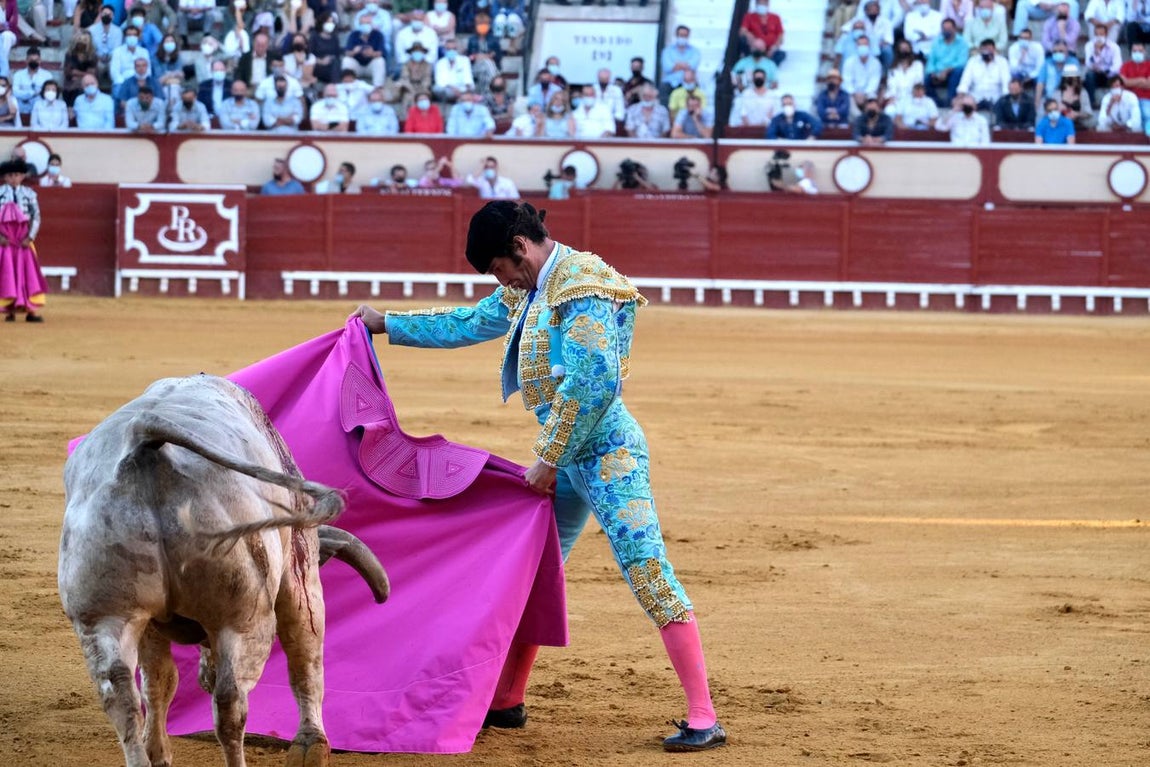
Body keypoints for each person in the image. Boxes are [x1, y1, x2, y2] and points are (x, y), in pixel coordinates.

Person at [351, 200, 727, 753]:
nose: (501, 281)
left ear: (520, 248)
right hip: (567, 459)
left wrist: (549, 459)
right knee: (530, 577)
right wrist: (387, 324)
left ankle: (703, 714)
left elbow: (593, 383)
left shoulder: (582, 284)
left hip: (607, 455)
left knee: (647, 570)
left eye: (500, 269)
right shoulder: (535, 284)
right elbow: (472, 320)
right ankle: (506, 699)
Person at [0, 159, 47, 323]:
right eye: (10, 175)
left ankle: (31, 311)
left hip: (23, 240)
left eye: (17, 175)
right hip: (4, 241)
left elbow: (36, 217)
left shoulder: (30, 194)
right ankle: (9, 310)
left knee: (28, 274)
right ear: (5, 177)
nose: (14, 178)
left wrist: (30, 237)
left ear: (22, 176)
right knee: (7, 274)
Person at [957, 39, 1011, 111]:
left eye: (989, 49)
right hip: (975, 98)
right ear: (980, 50)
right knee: (963, 104)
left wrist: (1006, 98)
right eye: (984, 49)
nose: (987, 52)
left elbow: (1006, 82)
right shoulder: (973, 61)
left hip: (995, 99)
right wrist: (961, 95)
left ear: (994, 50)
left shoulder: (1002, 62)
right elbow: (965, 81)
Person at [925, 18, 969, 106]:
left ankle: (950, 100)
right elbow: (931, 60)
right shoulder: (937, 42)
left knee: (958, 71)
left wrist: (947, 70)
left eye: (949, 29)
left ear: (954, 29)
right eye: (944, 29)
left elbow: (962, 62)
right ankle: (936, 103)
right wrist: (933, 72)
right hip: (938, 73)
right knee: (926, 78)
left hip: (953, 71)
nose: (946, 31)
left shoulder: (962, 42)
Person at [659, 25, 701, 103]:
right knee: (663, 89)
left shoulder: (695, 51)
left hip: (688, 82)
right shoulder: (667, 51)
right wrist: (685, 65)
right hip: (670, 82)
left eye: (685, 35)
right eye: (681, 35)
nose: (683, 37)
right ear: (676, 35)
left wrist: (676, 64)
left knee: (697, 91)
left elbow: (693, 66)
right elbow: (667, 67)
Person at [1118, 43, 1150, 137]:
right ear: (1131, 52)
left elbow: (1148, 85)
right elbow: (1123, 83)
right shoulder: (1125, 66)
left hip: (1145, 98)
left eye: (1140, 51)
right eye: (1134, 51)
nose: (1137, 53)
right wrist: (1141, 80)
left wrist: (1130, 82)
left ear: (1145, 52)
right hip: (1128, 98)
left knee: (1147, 114)